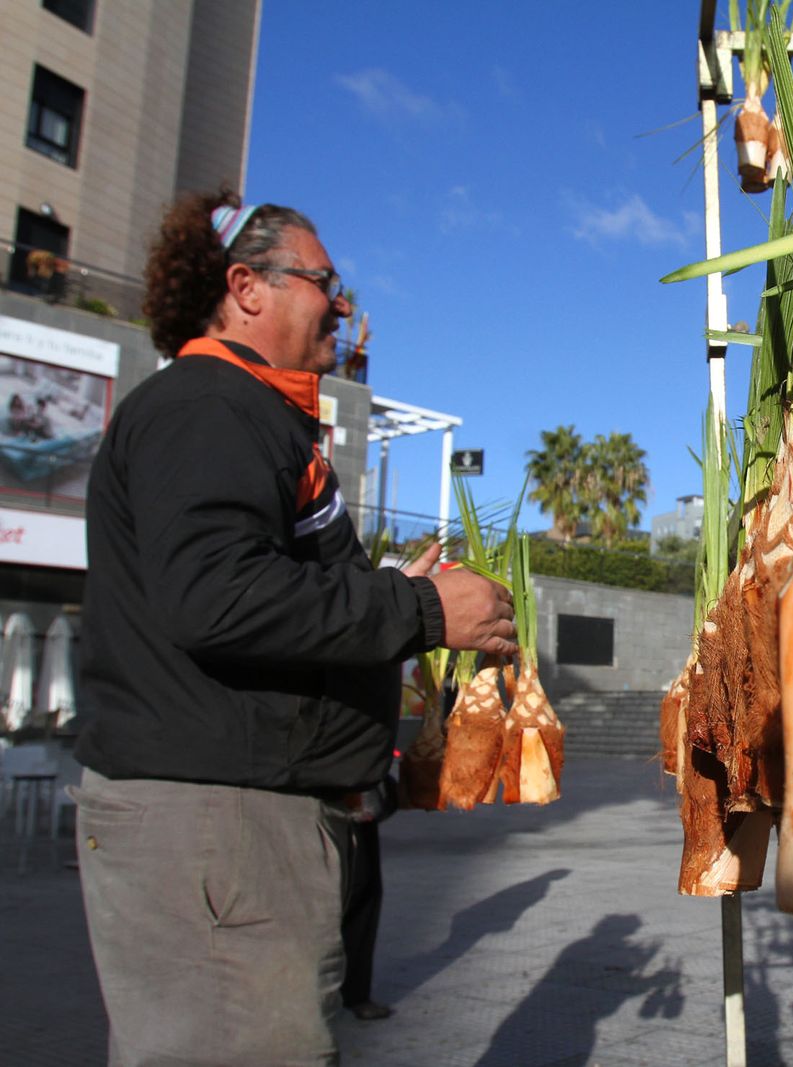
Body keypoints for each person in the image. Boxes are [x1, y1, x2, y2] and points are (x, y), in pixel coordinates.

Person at [70, 189, 517, 1066]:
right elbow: (216, 595)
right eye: (325, 282)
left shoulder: (249, 416)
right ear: (248, 287)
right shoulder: (207, 406)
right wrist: (421, 611)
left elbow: (248, 583)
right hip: (218, 829)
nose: (342, 306)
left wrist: (390, 591)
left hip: (238, 825)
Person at [341, 774, 396, 1022]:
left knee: (363, 891)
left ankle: (355, 991)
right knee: (355, 891)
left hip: (354, 791)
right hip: (325, 791)